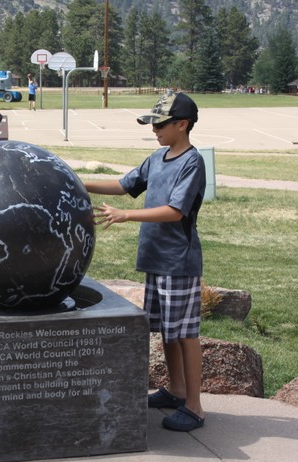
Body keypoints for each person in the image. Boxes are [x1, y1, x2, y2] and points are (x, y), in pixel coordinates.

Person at [83, 92, 207, 432]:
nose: (155, 130)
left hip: (178, 262)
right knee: (167, 331)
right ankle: (177, 390)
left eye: (160, 124)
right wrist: (80, 182)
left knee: (185, 334)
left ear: (182, 125)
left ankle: (194, 407)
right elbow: (124, 185)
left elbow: (175, 211)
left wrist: (126, 216)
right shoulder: (157, 158)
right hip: (156, 260)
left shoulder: (192, 162)